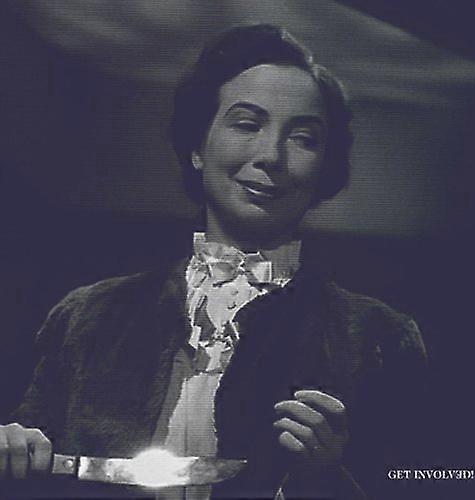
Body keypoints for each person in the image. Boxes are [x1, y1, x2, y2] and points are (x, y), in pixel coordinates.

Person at [0, 24, 427, 499]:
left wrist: (329, 477)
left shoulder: (377, 337)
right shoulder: (85, 318)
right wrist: (13, 454)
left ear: (325, 168)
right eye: (247, 124)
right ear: (198, 147)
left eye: (303, 137)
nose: (271, 156)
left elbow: (430, 482)